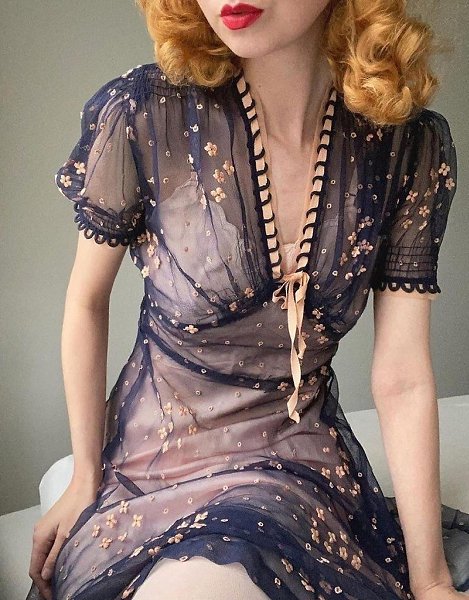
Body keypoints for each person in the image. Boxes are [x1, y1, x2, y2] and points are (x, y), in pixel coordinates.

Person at [25, 1, 469, 599]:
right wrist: (85, 472)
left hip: (295, 461)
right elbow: (85, 302)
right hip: (149, 463)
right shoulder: (145, 113)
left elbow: (403, 376)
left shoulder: (406, 146)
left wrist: (432, 581)